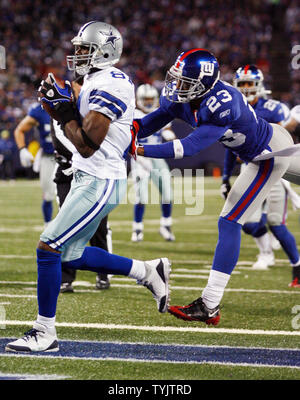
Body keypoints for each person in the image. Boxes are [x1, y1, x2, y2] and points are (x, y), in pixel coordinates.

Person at [5, 21, 171, 353]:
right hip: (89, 177)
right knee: (72, 253)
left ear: (104, 51)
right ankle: (148, 271)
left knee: (48, 247)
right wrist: (65, 102)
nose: (77, 54)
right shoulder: (97, 80)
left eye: (84, 49)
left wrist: (63, 110)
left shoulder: (109, 83)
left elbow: (87, 144)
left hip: (99, 180)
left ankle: (44, 332)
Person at [131, 48, 300, 325]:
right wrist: (133, 129)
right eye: (176, 79)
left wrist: (138, 149)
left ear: (204, 84)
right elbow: (157, 117)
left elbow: (189, 147)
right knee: (229, 222)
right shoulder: (186, 95)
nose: (177, 87)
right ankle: (209, 304)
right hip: (258, 152)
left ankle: (209, 305)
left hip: (268, 154)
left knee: (230, 221)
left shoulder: (223, 102)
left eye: (185, 83)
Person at [220, 65, 300, 286]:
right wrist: (225, 177)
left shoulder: (275, 109)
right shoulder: (233, 108)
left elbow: (288, 142)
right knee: (241, 220)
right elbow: (229, 147)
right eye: (242, 84)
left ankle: (297, 267)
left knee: (276, 222)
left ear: (259, 84)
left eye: (249, 83)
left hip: (276, 168)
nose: (246, 88)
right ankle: (266, 251)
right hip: (250, 168)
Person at [51, 115, 111, 293]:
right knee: (67, 224)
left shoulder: (90, 104)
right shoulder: (58, 104)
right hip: (68, 172)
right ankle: (66, 276)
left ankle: (103, 272)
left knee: (98, 224)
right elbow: (60, 137)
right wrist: (86, 151)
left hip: (94, 171)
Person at [131, 83, 176, 242]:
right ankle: (137, 229)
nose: (149, 102)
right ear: (138, 99)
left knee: (167, 193)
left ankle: (166, 226)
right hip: (140, 158)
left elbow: (165, 128)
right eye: (146, 99)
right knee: (141, 196)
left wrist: (169, 133)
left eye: (151, 99)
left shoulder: (159, 112)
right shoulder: (133, 114)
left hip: (157, 157)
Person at [14, 102, 56, 227]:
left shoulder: (71, 104)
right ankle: (47, 226)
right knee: (48, 195)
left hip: (70, 157)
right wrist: (22, 149)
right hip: (49, 157)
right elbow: (19, 130)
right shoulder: (38, 110)